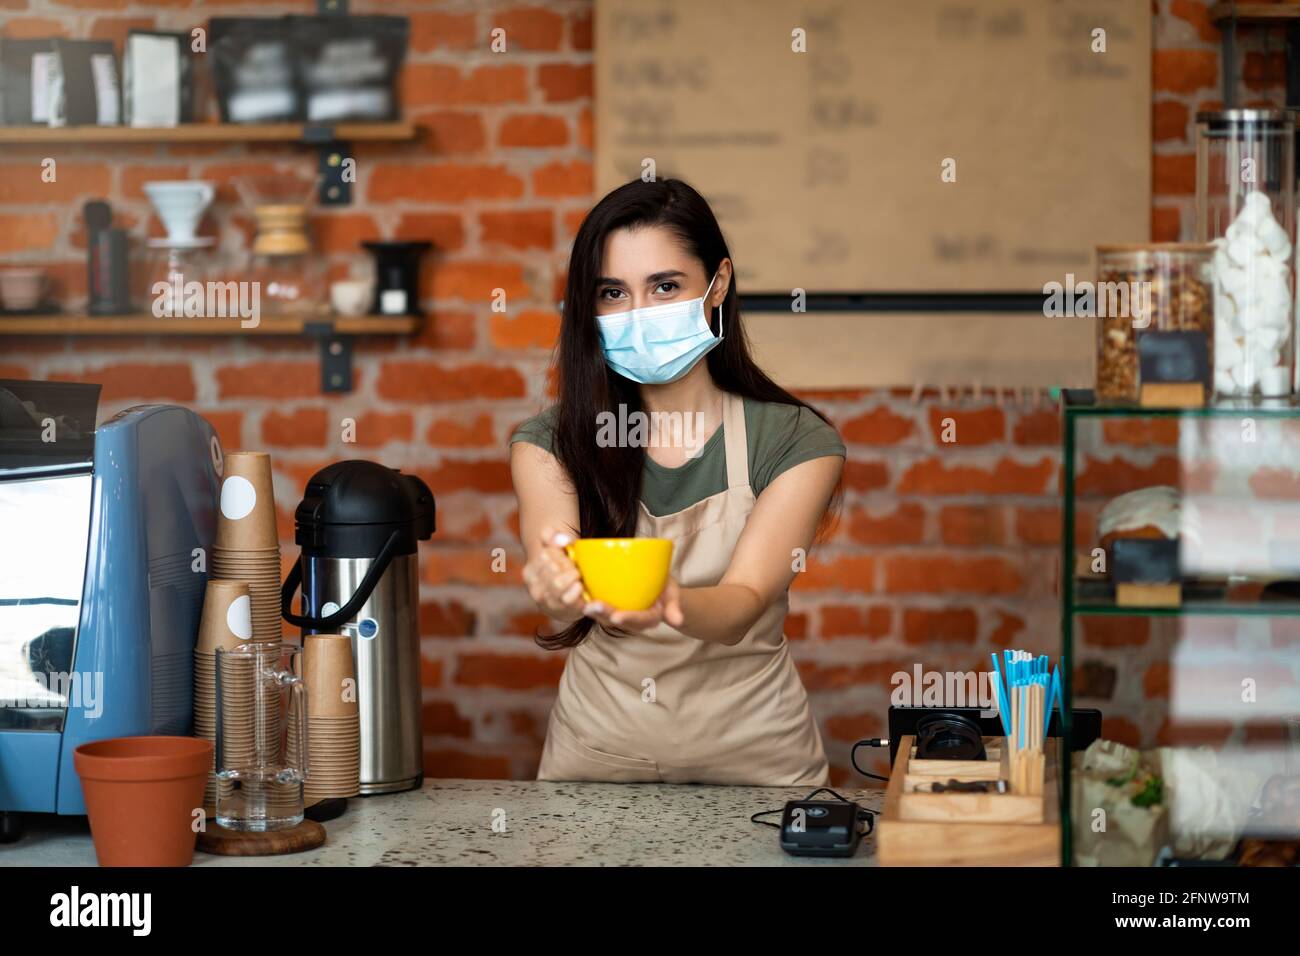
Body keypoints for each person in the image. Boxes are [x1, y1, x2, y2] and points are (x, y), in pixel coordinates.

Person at [510, 178, 844, 785]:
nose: (639, 315)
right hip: (600, 758)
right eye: (613, 292)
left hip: (759, 764)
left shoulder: (797, 441)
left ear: (717, 285)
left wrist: (667, 601)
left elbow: (740, 605)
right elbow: (550, 554)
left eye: (665, 286)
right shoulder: (549, 444)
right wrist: (555, 585)